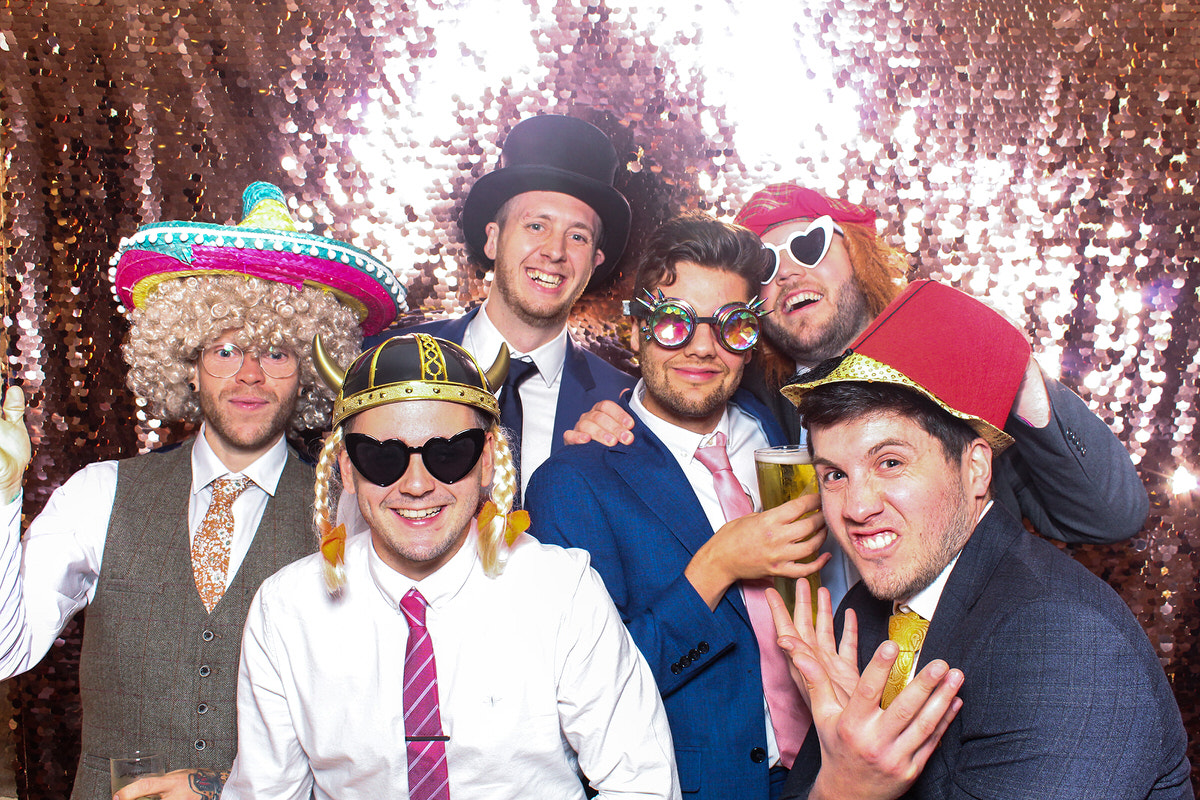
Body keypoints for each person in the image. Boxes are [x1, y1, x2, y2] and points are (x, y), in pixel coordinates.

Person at [0, 182, 403, 800]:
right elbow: (8, 651)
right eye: (225, 348)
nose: (249, 373)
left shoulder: (349, 513)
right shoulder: (100, 494)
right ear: (187, 361)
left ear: (312, 373)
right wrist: (2, 500)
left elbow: (376, 727)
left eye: (277, 351)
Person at [569, 184, 1149, 605]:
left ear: (858, 254)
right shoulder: (760, 399)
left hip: (967, 682)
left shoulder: (951, 375)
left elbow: (1111, 514)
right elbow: (682, 368)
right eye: (767, 265)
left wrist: (1010, 368)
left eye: (810, 245)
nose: (790, 272)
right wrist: (618, 415)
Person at [774, 280, 1191, 800]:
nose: (857, 508)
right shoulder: (865, 611)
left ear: (975, 469)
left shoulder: (1061, 643)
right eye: (834, 474)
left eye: (890, 463)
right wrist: (839, 780)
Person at [222, 333, 679, 799]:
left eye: (448, 454)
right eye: (383, 456)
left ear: (486, 463)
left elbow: (640, 784)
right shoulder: (286, 610)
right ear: (348, 469)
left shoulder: (561, 591)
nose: (417, 485)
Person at [526, 213, 826, 800]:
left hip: (831, 773)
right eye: (673, 323)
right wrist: (715, 568)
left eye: (731, 327)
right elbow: (582, 696)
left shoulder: (793, 435)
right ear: (635, 331)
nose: (702, 347)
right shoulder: (572, 484)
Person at [365, 114, 636, 498]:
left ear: (594, 263)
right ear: (493, 239)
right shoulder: (385, 362)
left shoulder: (627, 405)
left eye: (577, 236)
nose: (555, 252)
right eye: (536, 226)